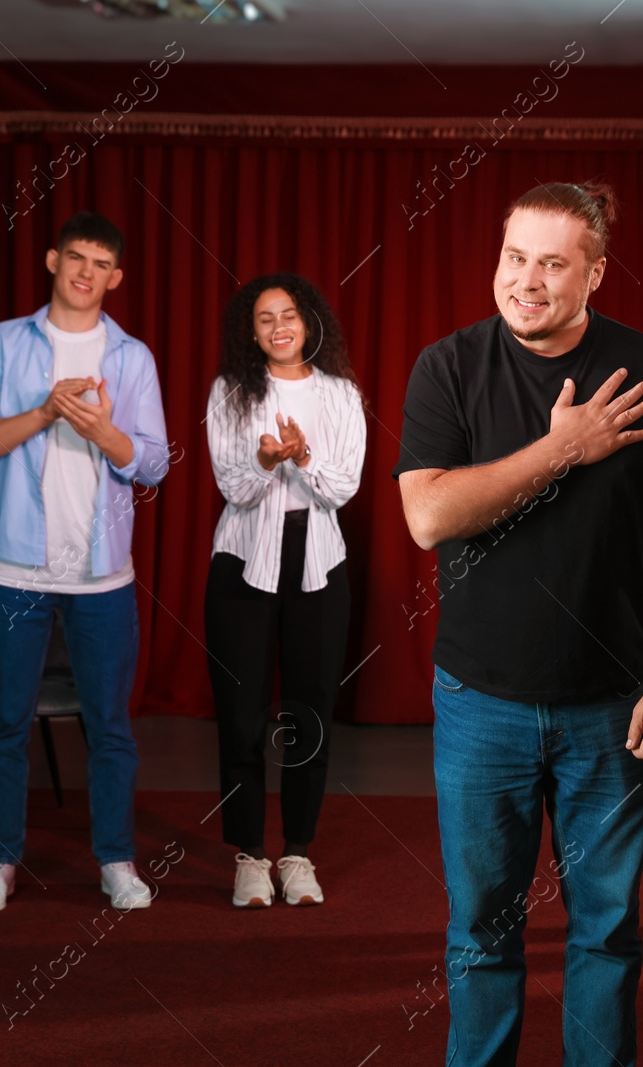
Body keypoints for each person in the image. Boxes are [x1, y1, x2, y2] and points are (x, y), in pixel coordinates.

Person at [394, 181, 643, 1067]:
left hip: (612, 707)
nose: (526, 280)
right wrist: (563, 447)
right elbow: (429, 516)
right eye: (514, 257)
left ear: (595, 274)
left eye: (551, 262)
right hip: (479, 701)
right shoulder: (449, 367)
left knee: (607, 933)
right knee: (480, 935)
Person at [0, 212, 171, 914]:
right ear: (52, 259)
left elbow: (156, 461)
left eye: (100, 263)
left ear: (117, 277)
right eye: (75, 256)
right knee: (7, 722)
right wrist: (46, 413)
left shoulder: (131, 357)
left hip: (103, 577)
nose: (85, 271)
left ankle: (116, 860)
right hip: (14, 572)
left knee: (110, 725)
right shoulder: (4, 343)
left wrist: (104, 430)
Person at [203, 273, 366, 908]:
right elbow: (234, 489)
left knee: (310, 714)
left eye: (289, 314)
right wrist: (266, 463)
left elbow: (342, 488)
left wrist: (299, 459)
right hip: (242, 564)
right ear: (251, 332)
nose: (279, 327)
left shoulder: (341, 393)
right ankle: (249, 856)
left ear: (310, 321)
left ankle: (297, 853)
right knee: (241, 715)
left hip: (319, 565)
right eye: (265, 318)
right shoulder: (230, 392)